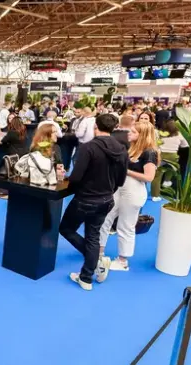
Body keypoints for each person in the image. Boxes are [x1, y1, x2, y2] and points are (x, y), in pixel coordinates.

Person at [59, 114, 128, 291]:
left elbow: (76, 176)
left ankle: (94, 262)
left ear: (95, 127)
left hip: (85, 199)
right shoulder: (121, 149)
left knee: (66, 228)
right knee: (93, 236)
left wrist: (70, 184)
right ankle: (86, 276)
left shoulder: (88, 148)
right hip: (106, 199)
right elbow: (120, 180)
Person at [96, 121, 158, 276]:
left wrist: (127, 171)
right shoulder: (132, 149)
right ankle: (99, 253)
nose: (129, 133)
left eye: (133, 132)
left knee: (126, 225)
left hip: (134, 191)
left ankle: (123, 261)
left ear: (142, 135)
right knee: (105, 218)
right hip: (120, 188)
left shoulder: (149, 152)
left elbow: (149, 177)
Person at [152, 119, 187, 201]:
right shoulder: (179, 134)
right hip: (173, 156)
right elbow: (185, 145)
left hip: (161, 155)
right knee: (172, 169)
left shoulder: (160, 134)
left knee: (157, 176)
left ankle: (155, 195)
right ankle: (167, 181)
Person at [0, 117, 28, 198]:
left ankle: (3, 191)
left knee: (3, 171)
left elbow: (3, 141)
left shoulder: (11, 132)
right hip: (23, 154)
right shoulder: (23, 131)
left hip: (12, 155)